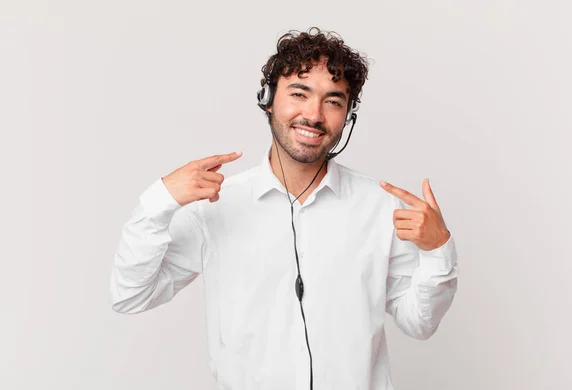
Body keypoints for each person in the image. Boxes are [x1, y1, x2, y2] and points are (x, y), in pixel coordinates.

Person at [110, 27, 459, 390]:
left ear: (348, 115)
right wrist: (160, 201)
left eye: (333, 101)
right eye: (299, 93)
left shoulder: (381, 206)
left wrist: (438, 250)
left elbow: (419, 323)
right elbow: (130, 295)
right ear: (268, 99)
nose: (314, 114)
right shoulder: (215, 205)